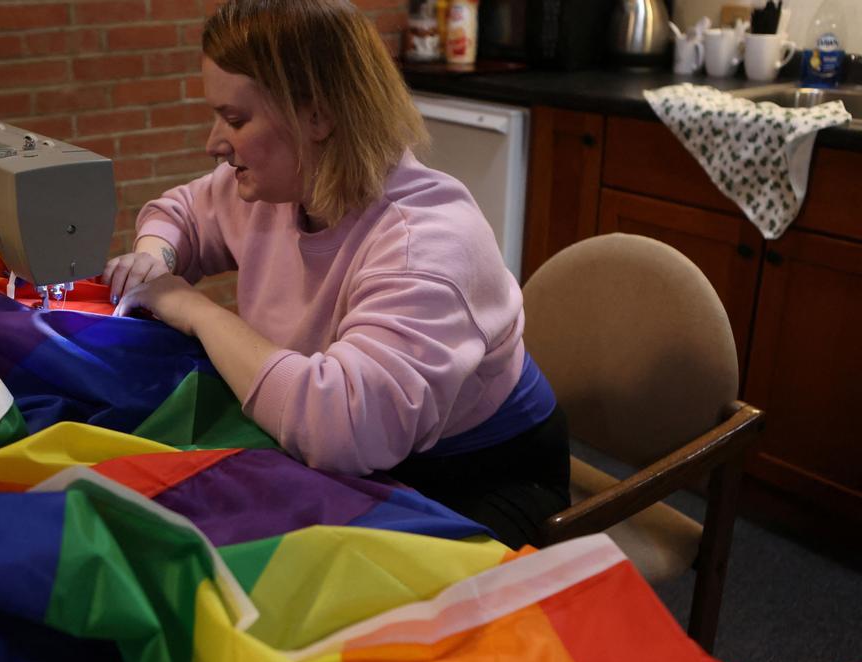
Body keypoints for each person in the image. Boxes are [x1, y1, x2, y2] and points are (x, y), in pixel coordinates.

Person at [101, 0, 568, 549]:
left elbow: (340, 426)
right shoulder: (276, 184)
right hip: (375, 453)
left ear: (318, 116)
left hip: (484, 475)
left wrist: (193, 308)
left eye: (235, 119)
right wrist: (158, 257)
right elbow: (180, 213)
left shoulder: (429, 246)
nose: (214, 143)